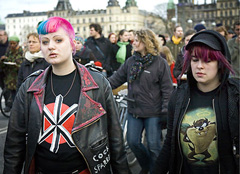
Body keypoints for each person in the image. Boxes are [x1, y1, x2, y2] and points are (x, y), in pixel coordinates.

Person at [3, 16, 130, 174]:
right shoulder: (29, 87)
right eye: (45, 42)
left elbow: (115, 138)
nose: (51, 46)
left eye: (58, 40)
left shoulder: (98, 84)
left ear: (71, 44)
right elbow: (14, 143)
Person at [154, 30, 239, 174]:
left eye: (207, 60)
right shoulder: (179, 96)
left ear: (220, 62)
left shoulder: (234, 96)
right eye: (195, 60)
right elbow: (169, 144)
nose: (199, 66)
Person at [109, 29, 173, 174]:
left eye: (137, 40)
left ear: (146, 42)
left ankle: (156, 171)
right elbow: (116, 79)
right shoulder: (131, 62)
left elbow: (167, 90)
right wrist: (100, 86)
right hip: (134, 111)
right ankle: (148, 166)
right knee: (133, 143)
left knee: (154, 146)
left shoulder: (160, 63)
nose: (134, 43)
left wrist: (165, 111)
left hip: (153, 112)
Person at [0, 35, 23, 112]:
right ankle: (12, 109)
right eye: (11, 43)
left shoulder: (20, 50)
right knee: (11, 95)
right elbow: (5, 62)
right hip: (9, 78)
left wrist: (9, 59)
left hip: (17, 78)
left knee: (18, 96)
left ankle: (18, 111)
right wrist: (2, 60)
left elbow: (19, 62)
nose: (12, 45)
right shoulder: (8, 50)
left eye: (14, 43)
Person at [0, 30, 9, 108]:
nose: (0, 37)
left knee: (8, 88)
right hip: (1, 70)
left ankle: (8, 104)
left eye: (1, 35)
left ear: (5, 36)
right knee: (3, 88)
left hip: (8, 71)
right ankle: (7, 104)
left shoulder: (10, 45)